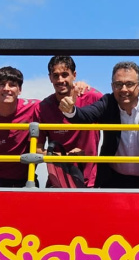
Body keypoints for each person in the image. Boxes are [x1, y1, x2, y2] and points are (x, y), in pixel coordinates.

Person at [60, 61, 139, 189]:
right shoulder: (107, 103)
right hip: (113, 180)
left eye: (129, 84)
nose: (124, 89)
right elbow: (84, 116)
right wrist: (70, 110)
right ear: (112, 86)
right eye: (118, 84)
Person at [38, 56, 103, 187]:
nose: (60, 80)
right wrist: (65, 156)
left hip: (91, 182)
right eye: (55, 75)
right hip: (58, 182)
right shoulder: (43, 107)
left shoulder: (93, 97)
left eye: (65, 75)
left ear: (74, 75)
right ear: (50, 78)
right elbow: (37, 150)